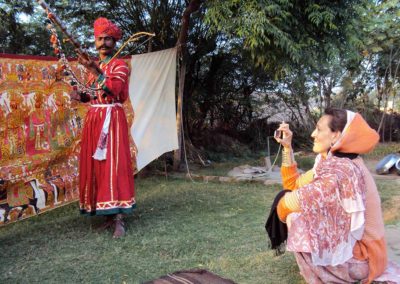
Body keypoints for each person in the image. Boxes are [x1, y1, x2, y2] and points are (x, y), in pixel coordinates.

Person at [271, 108, 400, 283]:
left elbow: (290, 203)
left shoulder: (342, 169)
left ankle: (324, 278)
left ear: (336, 135)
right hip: (361, 251)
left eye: (319, 129)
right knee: (296, 209)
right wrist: (287, 147)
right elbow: (293, 185)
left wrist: (280, 212)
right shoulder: (330, 162)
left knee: (296, 219)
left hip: (364, 258)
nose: (312, 134)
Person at [71, 17, 135, 238]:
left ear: (115, 42)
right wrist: (79, 95)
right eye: (100, 38)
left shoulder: (120, 65)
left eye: (108, 38)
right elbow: (91, 95)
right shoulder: (93, 70)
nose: (104, 42)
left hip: (112, 119)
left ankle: (119, 219)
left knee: (114, 166)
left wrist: (96, 71)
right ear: (95, 41)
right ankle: (107, 215)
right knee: (99, 167)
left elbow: (114, 89)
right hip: (94, 120)